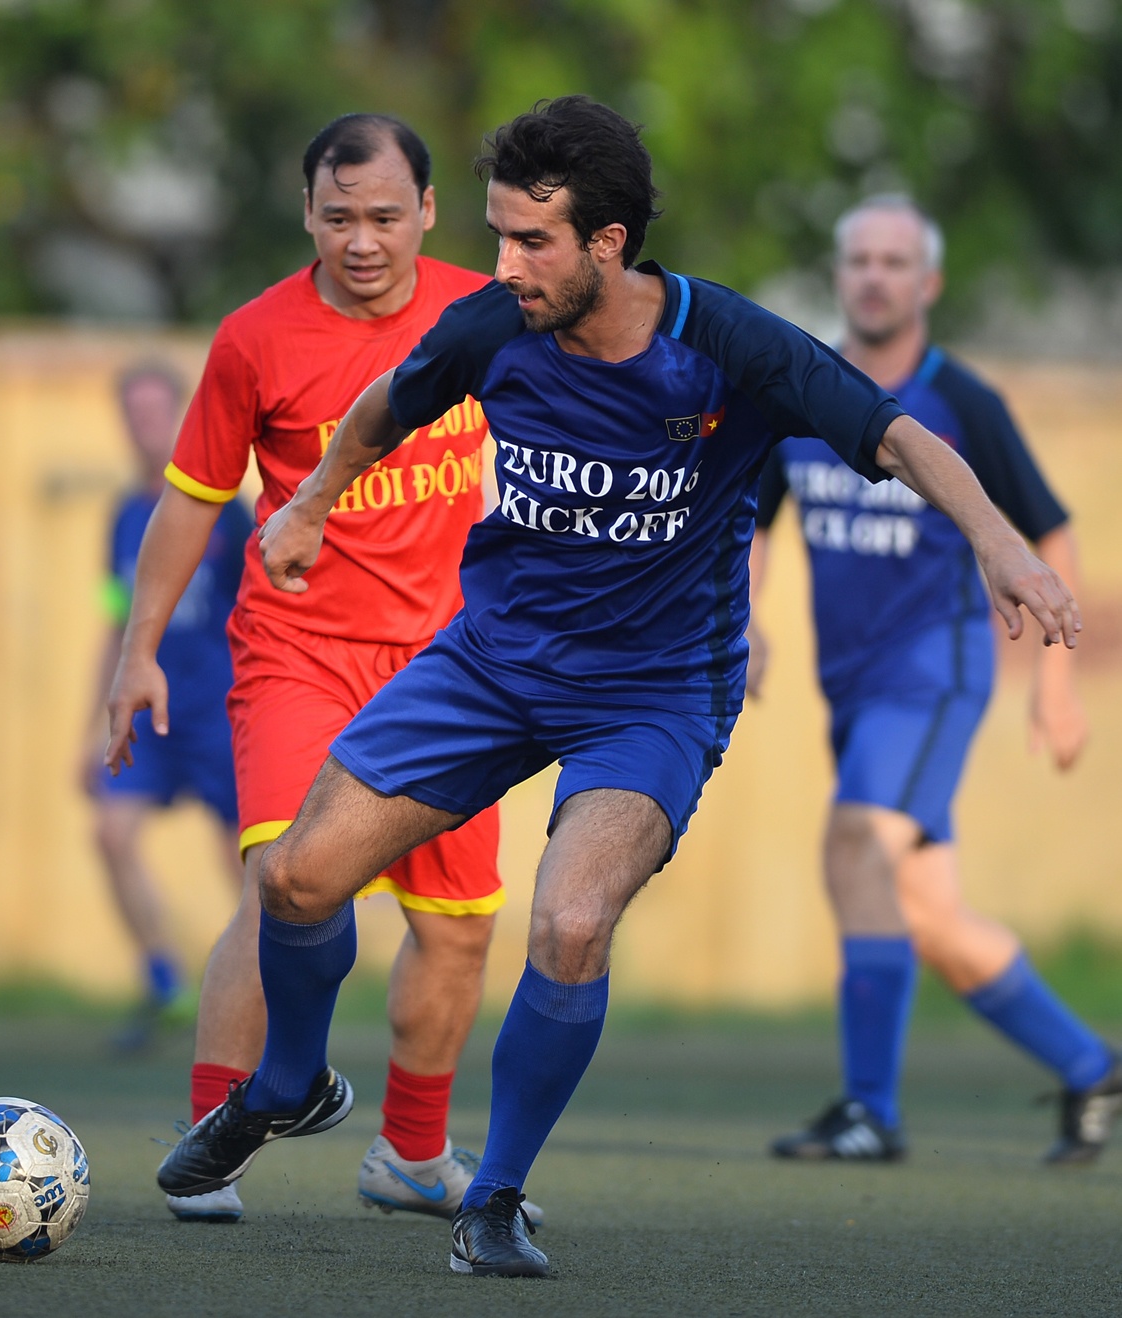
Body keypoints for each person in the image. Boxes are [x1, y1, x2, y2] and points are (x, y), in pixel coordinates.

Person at [155, 96, 1079, 1279]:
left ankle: (494, 1196)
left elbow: (900, 437)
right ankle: (288, 1081)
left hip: (652, 697)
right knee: (295, 875)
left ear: (608, 242)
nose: (502, 266)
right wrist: (310, 498)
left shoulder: (730, 344)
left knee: (572, 918)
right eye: (495, 234)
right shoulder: (495, 327)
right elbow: (390, 403)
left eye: (531, 241)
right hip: (492, 664)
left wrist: (1001, 542)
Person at [107, 113, 512, 1226]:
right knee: (283, 876)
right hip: (298, 648)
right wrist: (136, 651)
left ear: (429, 212)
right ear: (307, 216)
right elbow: (192, 496)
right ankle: (219, 1131)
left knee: (461, 924)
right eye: (340, 218)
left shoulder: (489, 315)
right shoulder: (254, 338)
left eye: (386, 216)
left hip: (454, 668)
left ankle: (410, 1155)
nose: (364, 240)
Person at [755, 195, 1118, 1165]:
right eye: (859, 259)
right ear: (841, 275)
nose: (874, 275)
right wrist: (744, 619)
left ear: (929, 283)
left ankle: (870, 1109)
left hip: (933, 667)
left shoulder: (965, 400)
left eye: (894, 260)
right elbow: (757, 519)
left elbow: (1049, 529)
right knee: (929, 918)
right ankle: (1093, 1064)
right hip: (853, 684)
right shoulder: (805, 387)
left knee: (851, 844)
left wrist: (1054, 684)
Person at [88, 359, 247, 1052]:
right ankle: (164, 981)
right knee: (110, 833)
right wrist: (90, 721)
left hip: (217, 706)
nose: (146, 426)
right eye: (135, 413)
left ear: (181, 416)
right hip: (145, 708)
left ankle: (260, 997)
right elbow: (113, 618)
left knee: (244, 860)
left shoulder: (227, 511)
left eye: (158, 412)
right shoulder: (123, 515)